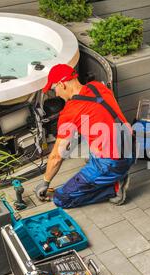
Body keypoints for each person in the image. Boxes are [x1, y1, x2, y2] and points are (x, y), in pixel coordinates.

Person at [34, 64, 134, 208]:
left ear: (62, 84)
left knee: (61, 199)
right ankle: (110, 174)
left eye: (53, 89)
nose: (55, 94)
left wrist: (45, 182)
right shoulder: (97, 86)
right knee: (95, 140)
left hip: (112, 163)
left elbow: (57, 156)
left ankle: (114, 188)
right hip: (131, 146)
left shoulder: (70, 112)